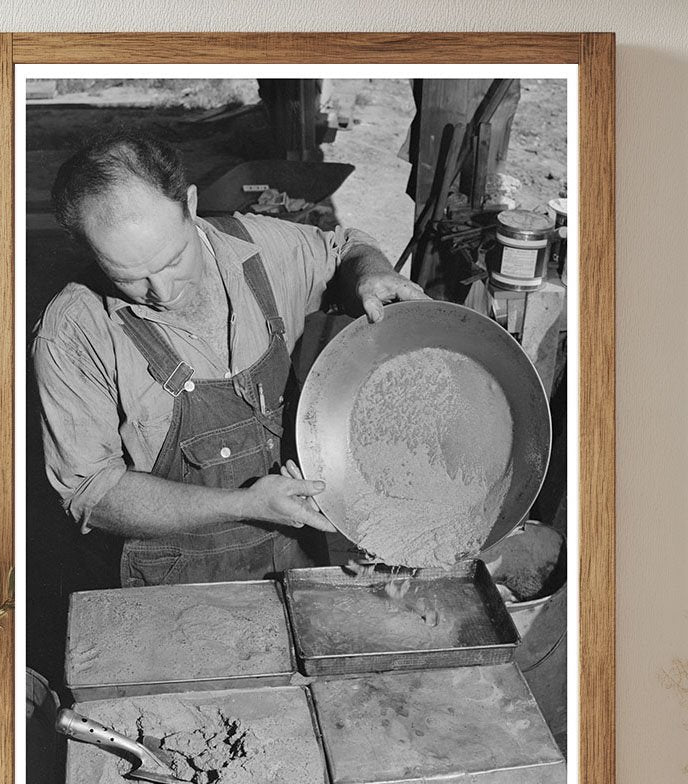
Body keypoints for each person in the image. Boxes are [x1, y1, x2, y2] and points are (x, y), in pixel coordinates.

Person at [32, 126, 428, 587]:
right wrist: (244, 505)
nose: (161, 292)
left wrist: (371, 271)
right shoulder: (73, 332)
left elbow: (344, 249)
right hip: (174, 582)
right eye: (129, 277)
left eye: (171, 260)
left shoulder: (260, 251)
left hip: (297, 555)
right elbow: (92, 492)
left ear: (192, 205)